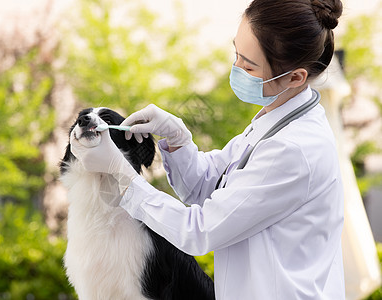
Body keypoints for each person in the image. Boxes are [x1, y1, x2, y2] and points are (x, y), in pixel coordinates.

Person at [70, 0, 345, 298]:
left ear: (295, 77)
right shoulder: (273, 121)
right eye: (237, 53)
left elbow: (200, 231)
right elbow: (208, 185)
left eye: (249, 65)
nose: (236, 68)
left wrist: (122, 176)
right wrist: (176, 141)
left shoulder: (295, 150)